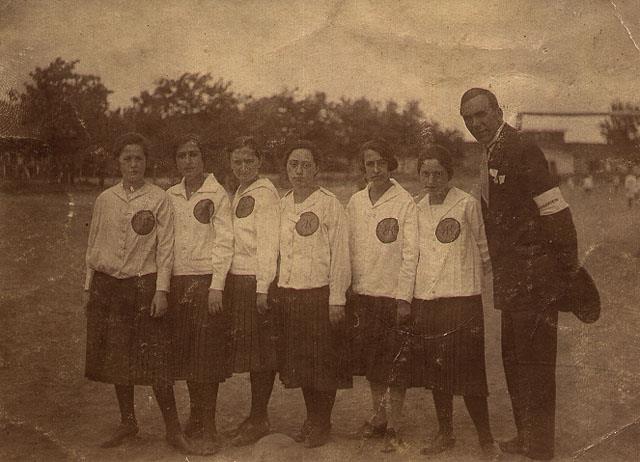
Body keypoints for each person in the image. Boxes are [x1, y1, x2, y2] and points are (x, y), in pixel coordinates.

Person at [460, 88, 578, 460]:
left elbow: (556, 212)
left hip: (536, 277)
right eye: (468, 118)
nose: (476, 123)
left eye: (481, 114)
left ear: (498, 111)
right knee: (514, 361)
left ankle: (540, 446)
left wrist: (565, 273)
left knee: (536, 365)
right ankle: (526, 436)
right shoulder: (491, 151)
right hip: (511, 279)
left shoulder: (522, 148)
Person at [83, 132, 201, 455]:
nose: (133, 164)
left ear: (146, 163)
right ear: (118, 163)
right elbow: (93, 246)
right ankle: (128, 421)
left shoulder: (158, 198)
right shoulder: (105, 199)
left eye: (138, 158)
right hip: (109, 287)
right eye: (127, 159)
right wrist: (88, 285)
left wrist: (161, 291)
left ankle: (173, 430)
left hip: (143, 285)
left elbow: (165, 251)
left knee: (155, 361)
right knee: (118, 358)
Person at [410, 145, 500, 459]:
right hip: (428, 301)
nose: (431, 180)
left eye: (438, 173)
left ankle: (486, 439)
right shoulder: (416, 208)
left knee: (470, 372)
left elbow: (485, 249)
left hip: (463, 302)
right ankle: (445, 433)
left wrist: (475, 284)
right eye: (425, 173)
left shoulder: (466, 205)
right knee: (437, 372)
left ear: (449, 174)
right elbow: (414, 257)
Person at [276, 140, 351, 448]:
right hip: (290, 295)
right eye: (294, 164)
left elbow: (341, 255)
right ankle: (312, 417)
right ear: (286, 169)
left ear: (317, 169)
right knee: (303, 364)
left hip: (320, 295)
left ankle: (323, 422)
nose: (299, 171)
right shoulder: (282, 204)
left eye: (306, 165)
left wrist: (337, 298)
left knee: (323, 364)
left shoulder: (328, 203)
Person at [346, 139, 418, 452]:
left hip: (392, 297)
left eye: (380, 163)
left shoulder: (405, 202)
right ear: (363, 167)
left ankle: (395, 425)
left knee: (395, 366)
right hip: (364, 294)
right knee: (373, 364)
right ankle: (377, 419)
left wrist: (404, 298)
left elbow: (411, 253)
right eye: (369, 164)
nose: (375, 170)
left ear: (390, 165)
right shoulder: (356, 202)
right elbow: (348, 248)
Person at [166, 134, 234, 452]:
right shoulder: (170, 195)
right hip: (180, 283)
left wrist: (217, 285)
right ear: (176, 161)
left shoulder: (217, 194)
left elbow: (224, 242)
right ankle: (194, 417)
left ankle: (208, 424)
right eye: (182, 155)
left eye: (194, 154)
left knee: (207, 356)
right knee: (189, 356)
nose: (188, 161)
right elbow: (164, 244)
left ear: (203, 159)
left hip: (208, 283)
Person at [225, 136, 281, 445]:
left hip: (257, 282)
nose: (243, 167)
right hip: (239, 280)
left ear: (259, 162)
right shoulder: (240, 192)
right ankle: (255, 415)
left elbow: (269, 243)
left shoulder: (265, 193)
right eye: (237, 162)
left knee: (261, 353)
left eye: (249, 161)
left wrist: (263, 288)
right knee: (250, 352)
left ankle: (260, 417)